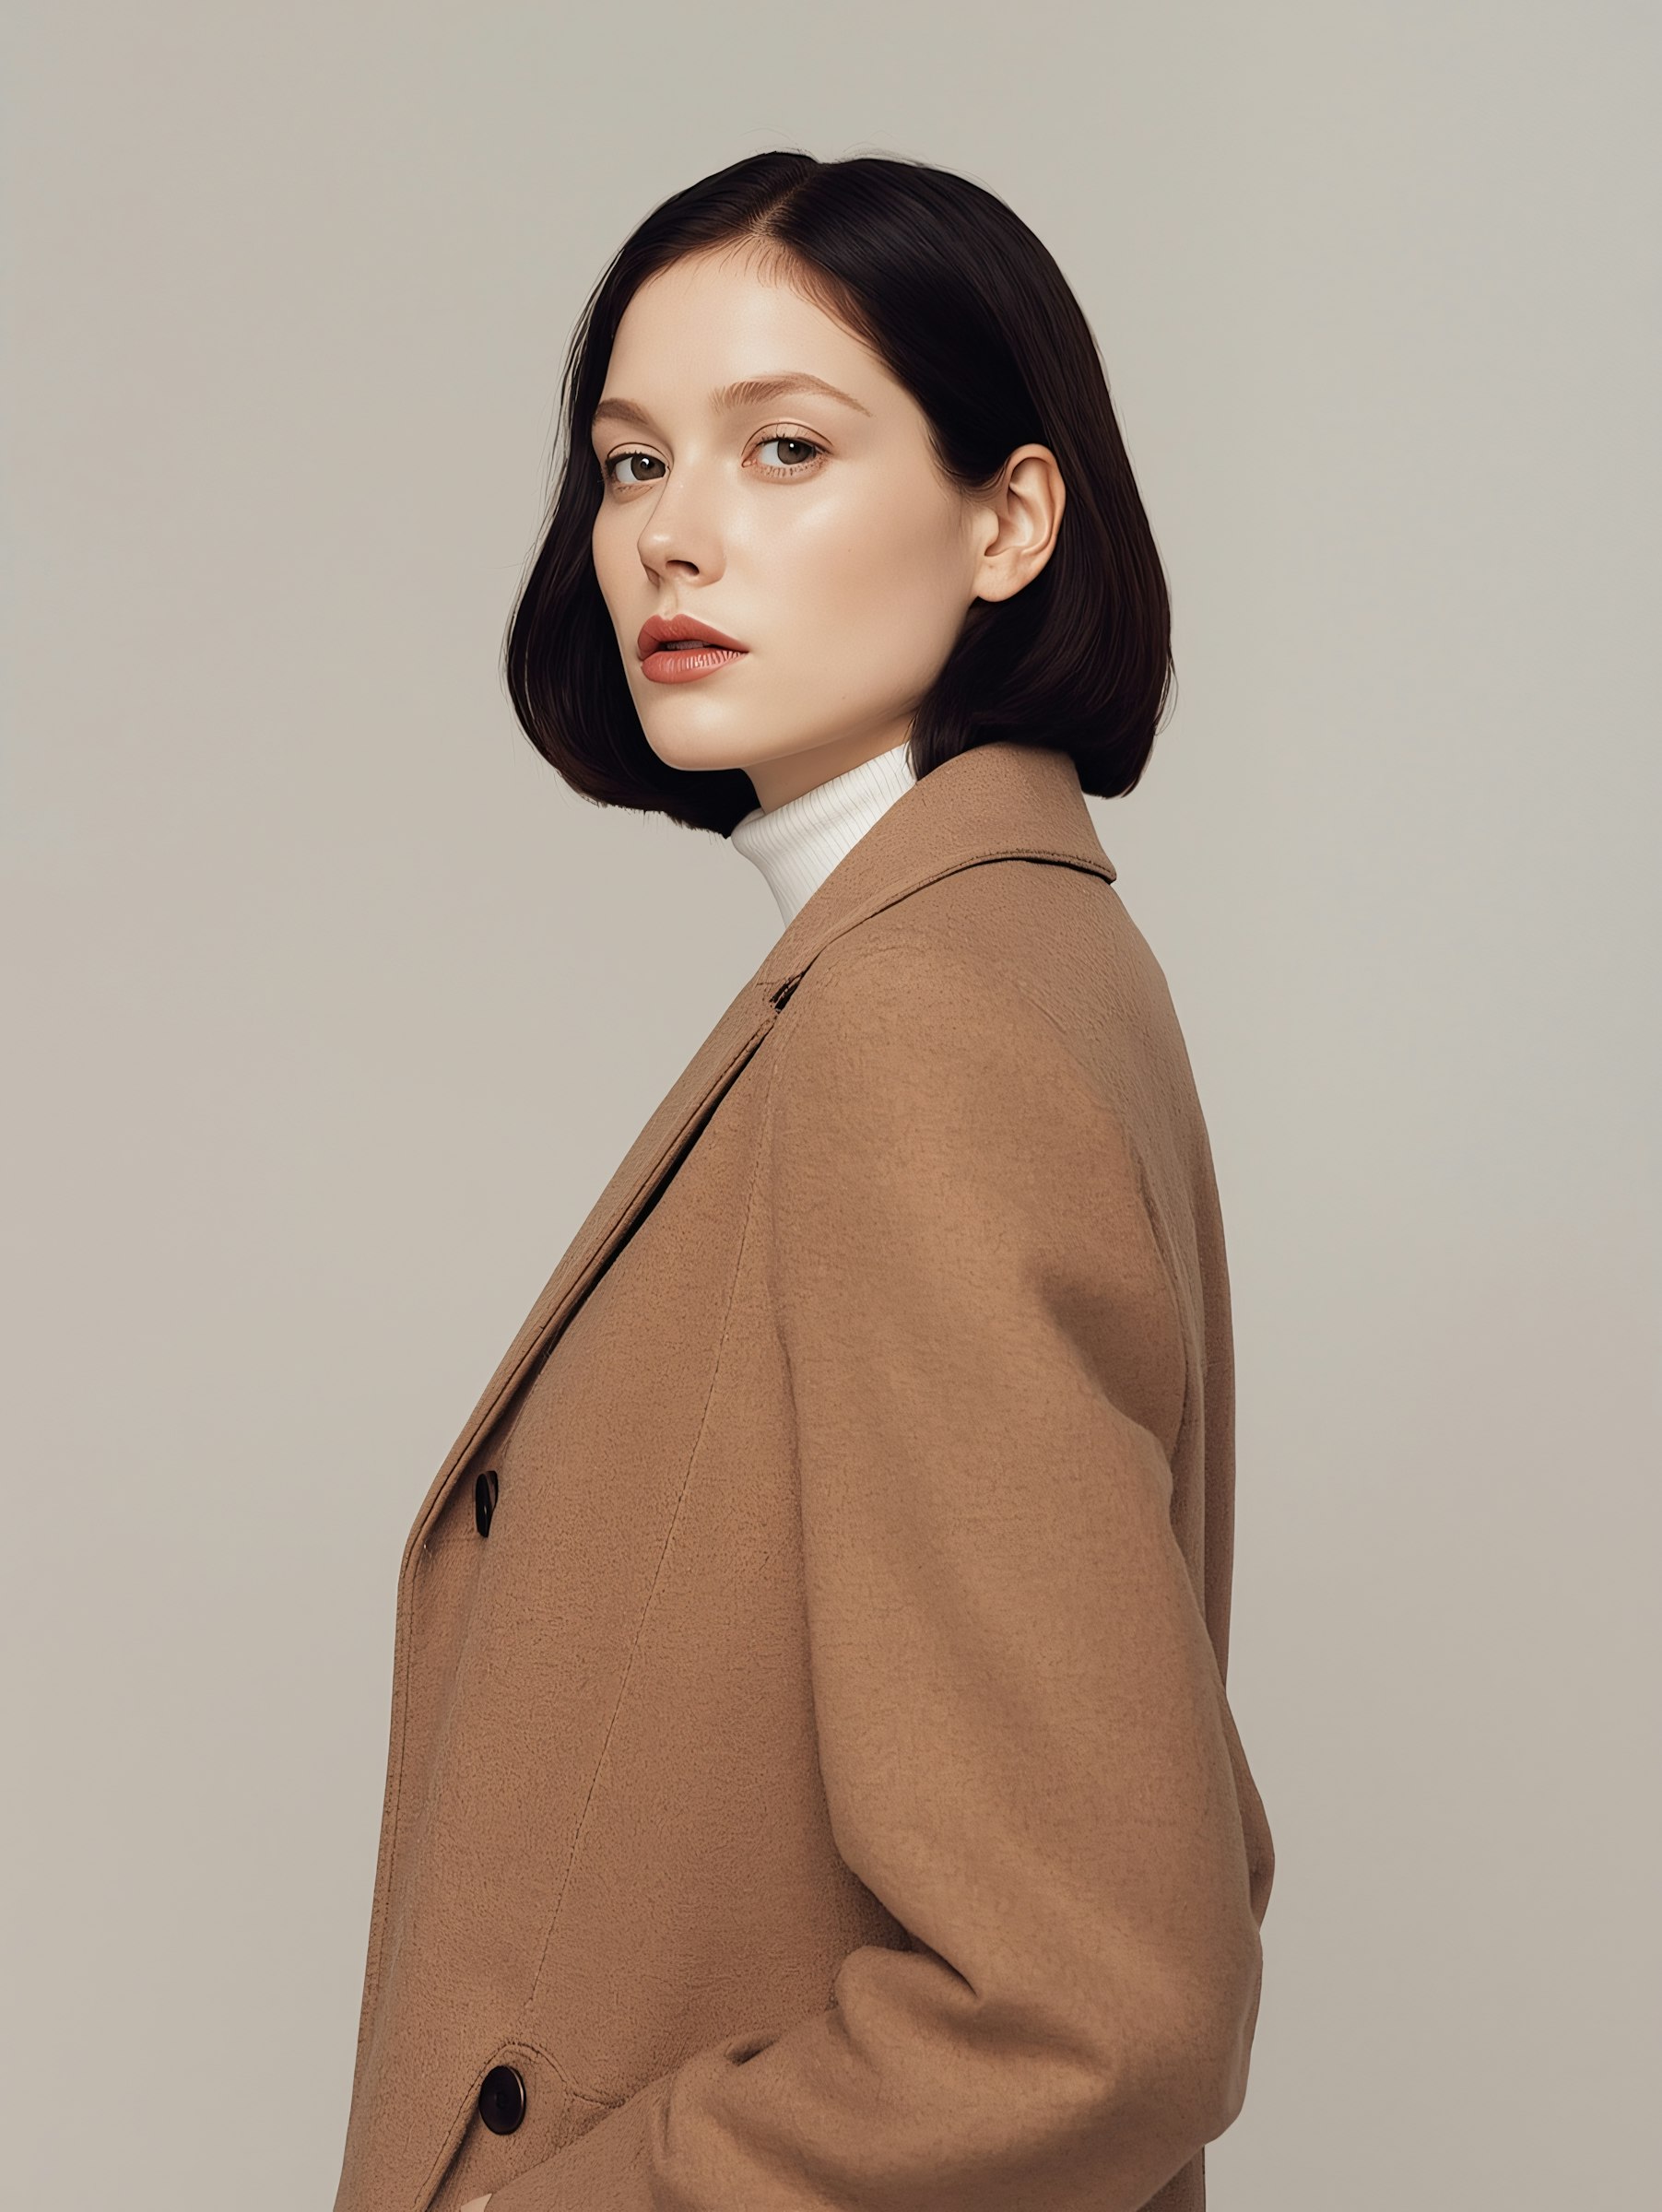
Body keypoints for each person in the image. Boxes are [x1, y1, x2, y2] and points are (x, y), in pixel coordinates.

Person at [332, 148, 1275, 2212]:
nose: (673, 534)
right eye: (627, 462)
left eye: (782, 448)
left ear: (1008, 518)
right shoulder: (994, 956)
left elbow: (1097, 2005)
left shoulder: (920, 1025)